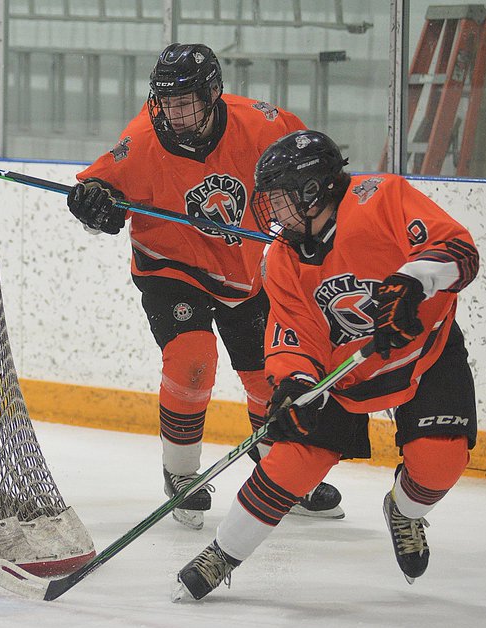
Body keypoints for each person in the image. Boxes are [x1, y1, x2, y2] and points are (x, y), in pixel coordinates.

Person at [174, 130, 480, 601]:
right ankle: (222, 553)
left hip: (425, 355)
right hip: (344, 375)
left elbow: (459, 251)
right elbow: (294, 334)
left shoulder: (381, 199)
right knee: (291, 462)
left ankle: (404, 510)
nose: (272, 213)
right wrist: (294, 382)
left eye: (279, 199)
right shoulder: (281, 259)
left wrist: (414, 281)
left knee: (439, 462)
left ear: (313, 190)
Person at [67, 43, 341, 529]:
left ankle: (280, 472)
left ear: (213, 91)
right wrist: (96, 206)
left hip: (247, 271)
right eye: (165, 100)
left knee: (269, 373)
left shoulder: (262, 124)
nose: (173, 111)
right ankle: (181, 474)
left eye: (185, 99)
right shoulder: (143, 140)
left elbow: (319, 170)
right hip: (171, 266)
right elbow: (101, 192)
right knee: (193, 358)